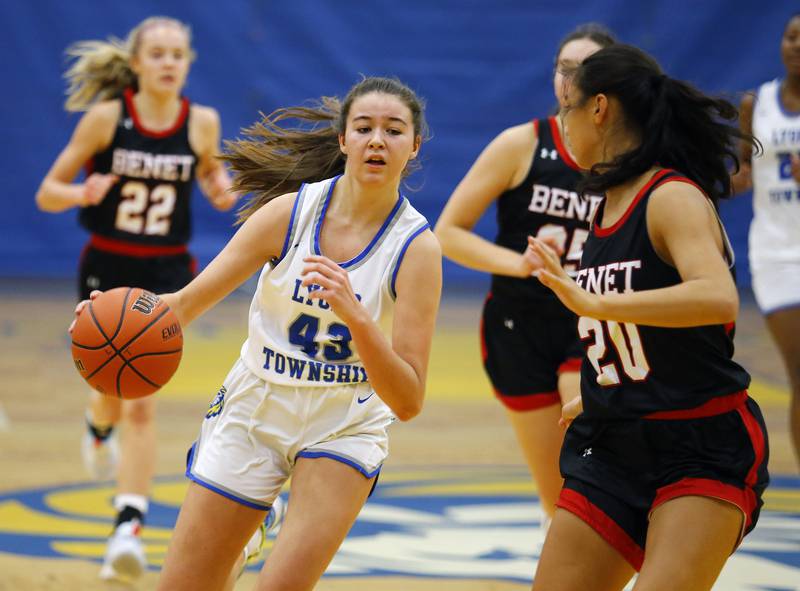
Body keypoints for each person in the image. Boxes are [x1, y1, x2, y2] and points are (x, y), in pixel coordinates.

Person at [73, 76, 441, 591]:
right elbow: (183, 305)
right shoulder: (290, 214)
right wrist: (114, 316)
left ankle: (254, 525)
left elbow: (408, 399)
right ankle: (251, 523)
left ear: (414, 146)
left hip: (344, 422)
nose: (377, 139)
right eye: (364, 128)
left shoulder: (416, 249)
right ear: (343, 141)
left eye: (393, 130)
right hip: (257, 405)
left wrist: (357, 318)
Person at [527, 44, 770, 591]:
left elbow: (716, 297)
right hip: (615, 442)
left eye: (568, 109)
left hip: (701, 444)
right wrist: (603, 390)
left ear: (599, 109)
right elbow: (645, 335)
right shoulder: (604, 203)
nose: (559, 124)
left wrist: (594, 303)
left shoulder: (671, 196)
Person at [36, 16, 238, 581]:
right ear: (138, 63)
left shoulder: (201, 123)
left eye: (178, 54)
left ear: (188, 63)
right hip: (107, 265)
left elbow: (215, 182)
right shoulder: (107, 118)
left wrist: (223, 189)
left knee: (141, 395)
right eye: (158, 54)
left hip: (167, 272)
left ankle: (127, 525)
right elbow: (47, 193)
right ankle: (98, 427)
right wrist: (82, 190)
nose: (169, 62)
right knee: (109, 392)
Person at [434, 23, 615, 519]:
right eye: (565, 68)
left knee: (585, 458)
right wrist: (518, 264)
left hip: (593, 320)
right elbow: (448, 231)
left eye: (587, 69)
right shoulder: (522, 144)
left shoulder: (626, 156)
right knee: (556, 493)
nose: (573, 78)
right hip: (518, 325)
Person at [731, 13, 800, 470]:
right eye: (791, 37)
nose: (796, 46)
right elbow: (741, 174)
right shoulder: (757, 104)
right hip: (778, 253)